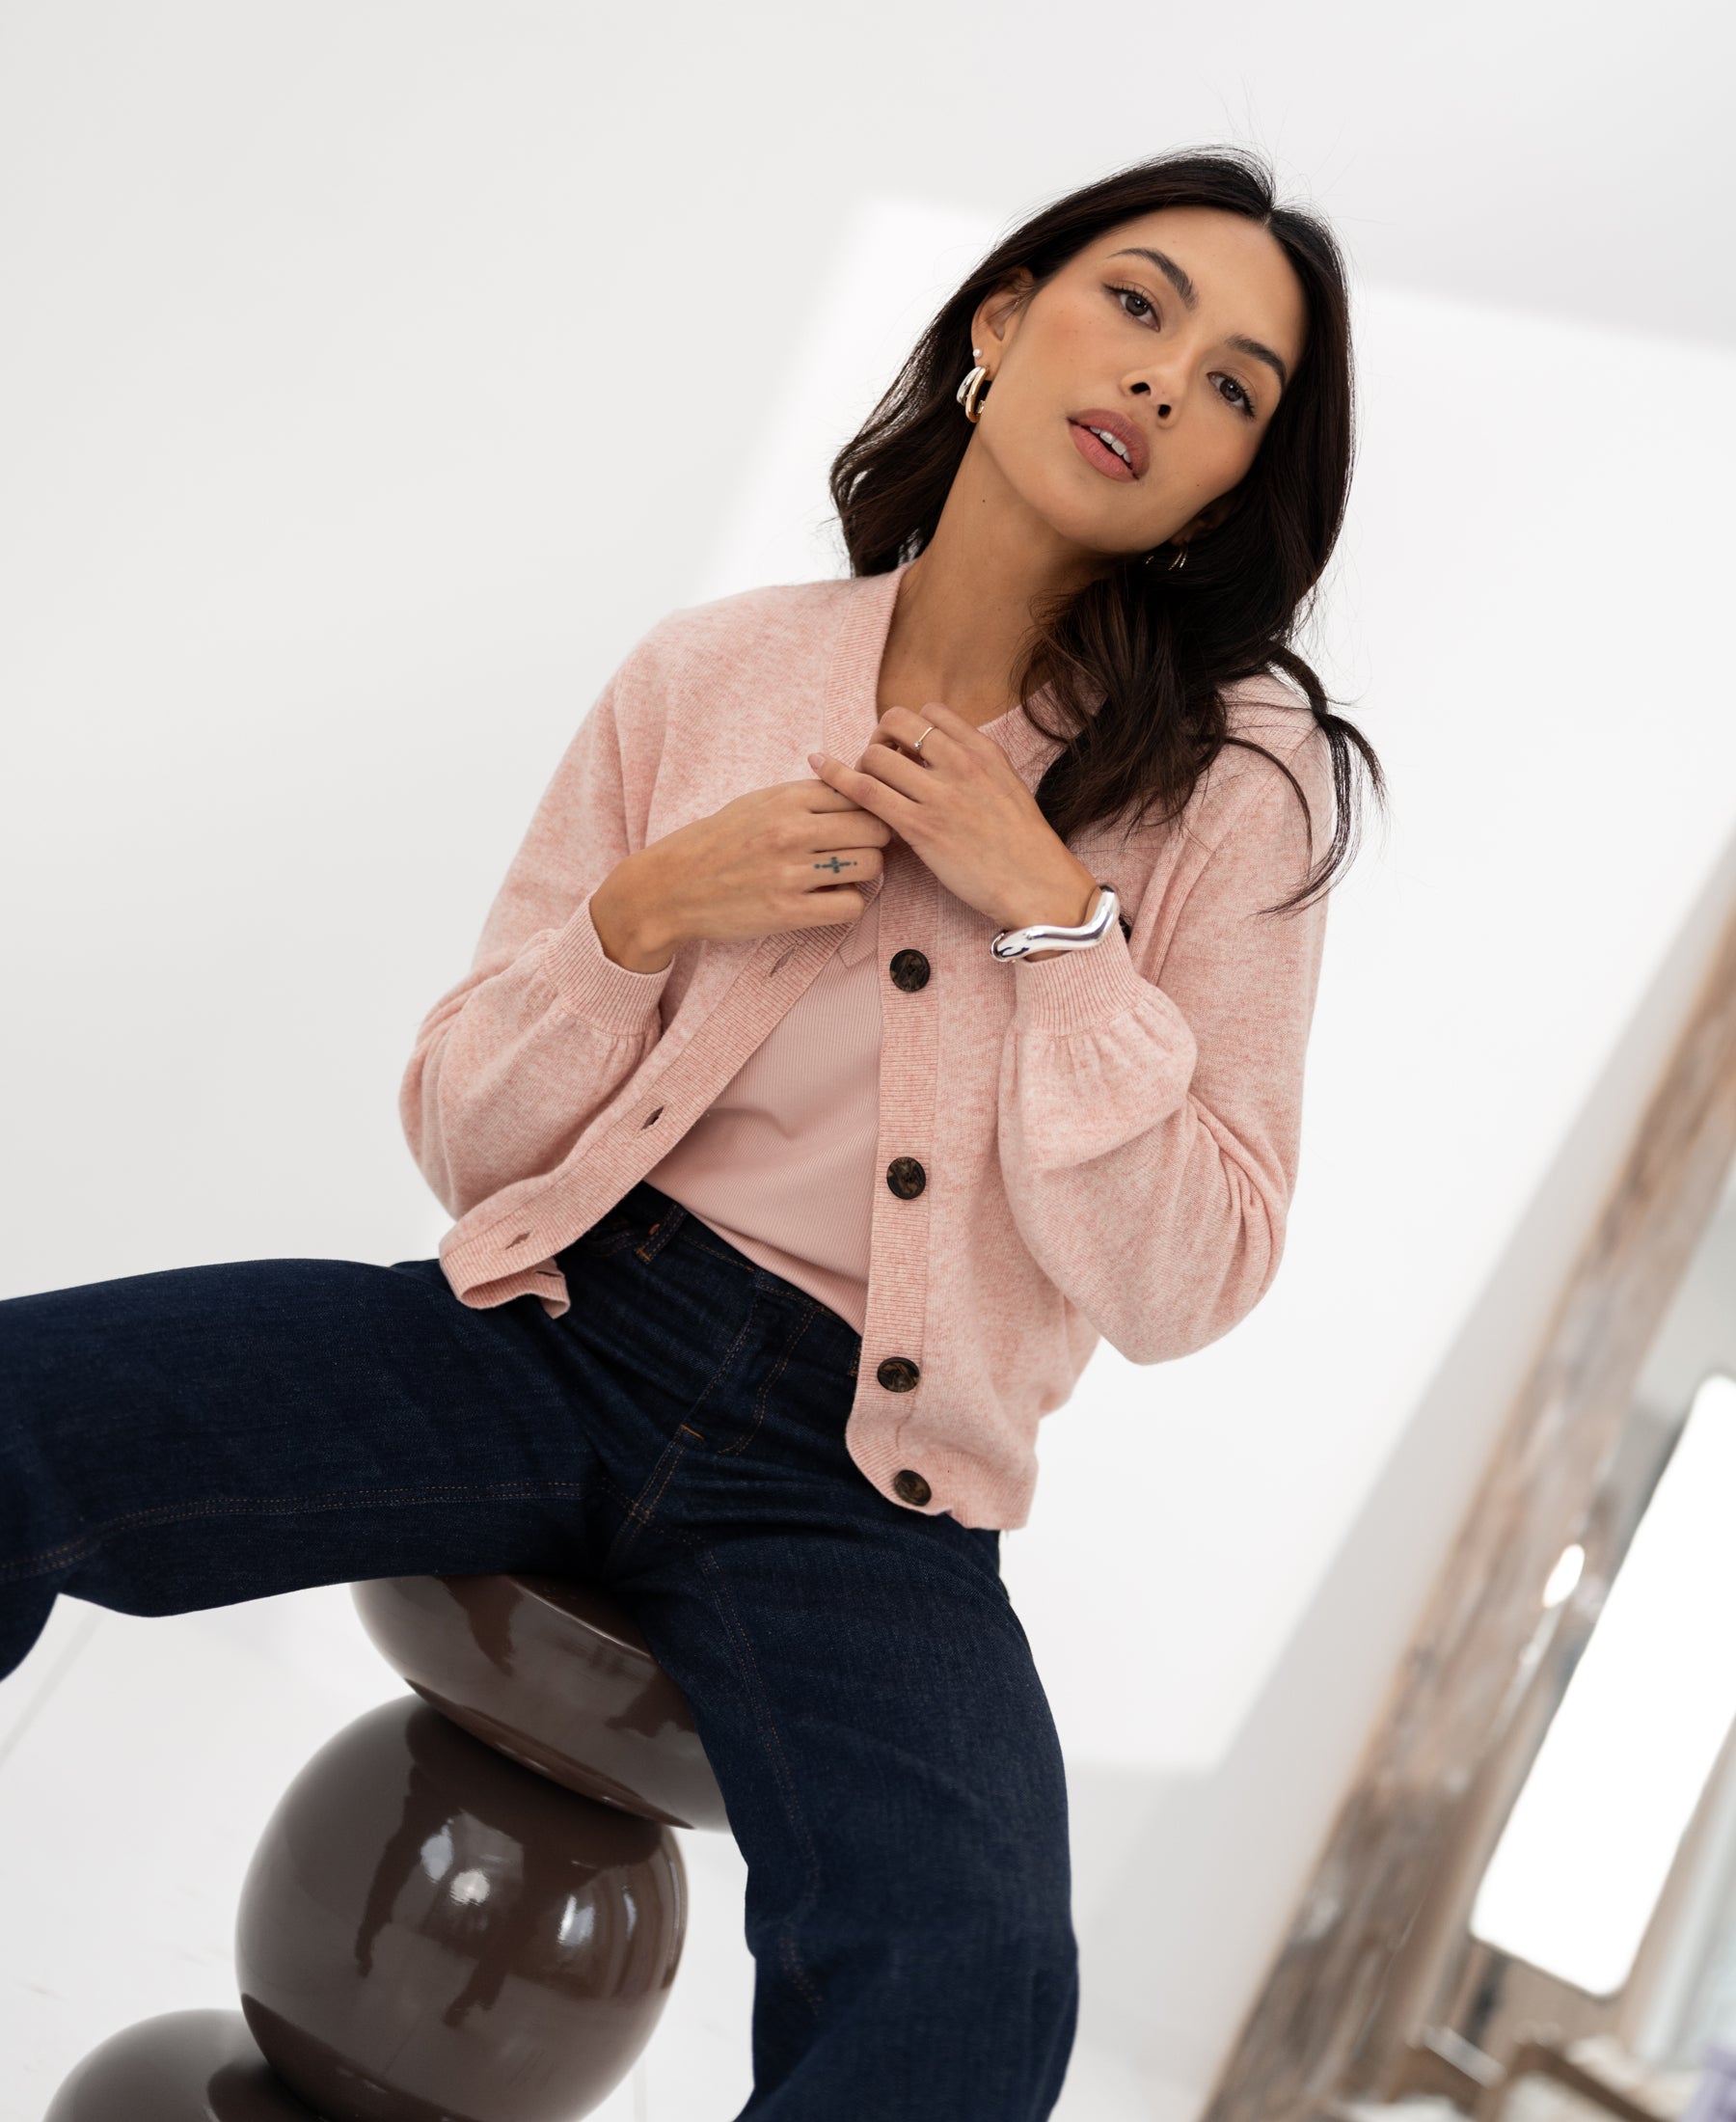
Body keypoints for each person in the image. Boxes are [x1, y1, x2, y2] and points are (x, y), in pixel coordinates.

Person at [0, 146, 1383, 2119]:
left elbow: (1193, 1278)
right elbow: (468, 1133)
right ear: (1003, 326)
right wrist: (644, 915)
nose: (1172, 382)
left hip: (868, 1483)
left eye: (1241, 386)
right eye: (1141, 305)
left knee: (973, 1996)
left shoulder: (1241, 792)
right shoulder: (710, 673)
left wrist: (1056, 922)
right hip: (559, 1325)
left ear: (1235, 482)